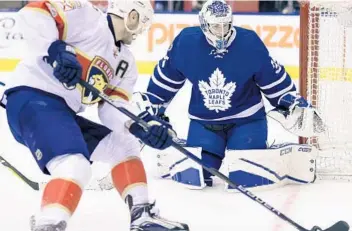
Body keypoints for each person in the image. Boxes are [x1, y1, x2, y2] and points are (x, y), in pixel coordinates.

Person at [0, 0, 188, 230]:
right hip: (32, 98)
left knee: (124, 145)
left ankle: (142, 214)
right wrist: (55, 49)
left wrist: (139, 125)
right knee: (75, 165)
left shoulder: (126, 64)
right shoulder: (88, 17)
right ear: (131, 15)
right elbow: (34, 11)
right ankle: (47, 224)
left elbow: (111, 107)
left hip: (61, 113)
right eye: (143, 21)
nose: (142, 30)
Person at [139, 0, 319, 190]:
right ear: (204, 24)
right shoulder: (186, 43)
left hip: (247, 121)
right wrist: (153, 111)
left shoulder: (249, 43)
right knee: (197, 175)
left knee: (245, 177)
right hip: (204, 122)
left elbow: (274, 80)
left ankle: (281, 159)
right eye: (216, 26)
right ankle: (177, 153)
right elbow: (164, 81)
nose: (222, 31)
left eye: (226, 25)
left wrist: (292, 103)